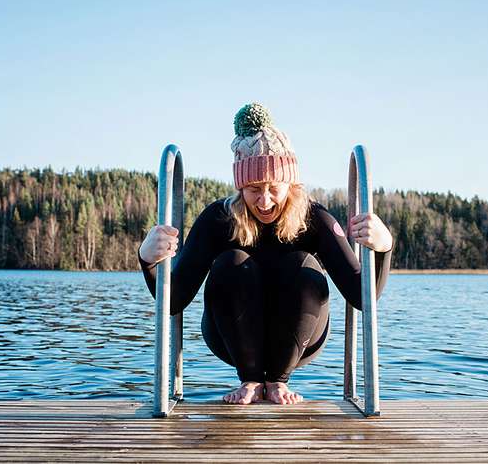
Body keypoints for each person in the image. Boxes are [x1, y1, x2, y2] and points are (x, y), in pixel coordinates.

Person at [139, 103, 393, 405]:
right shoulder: (218, 219)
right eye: (253, 189)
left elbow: (362, 296)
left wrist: (384, 248)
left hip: (302, 336)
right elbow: (175, 301)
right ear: (240, 187)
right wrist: (148, 260)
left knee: (302, 265)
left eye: (274, 187)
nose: (264, 200)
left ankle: (277, 382)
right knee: (231, 262)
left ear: (291, 183)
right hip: (229, 338)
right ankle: (250, 381)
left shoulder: (316, 219)